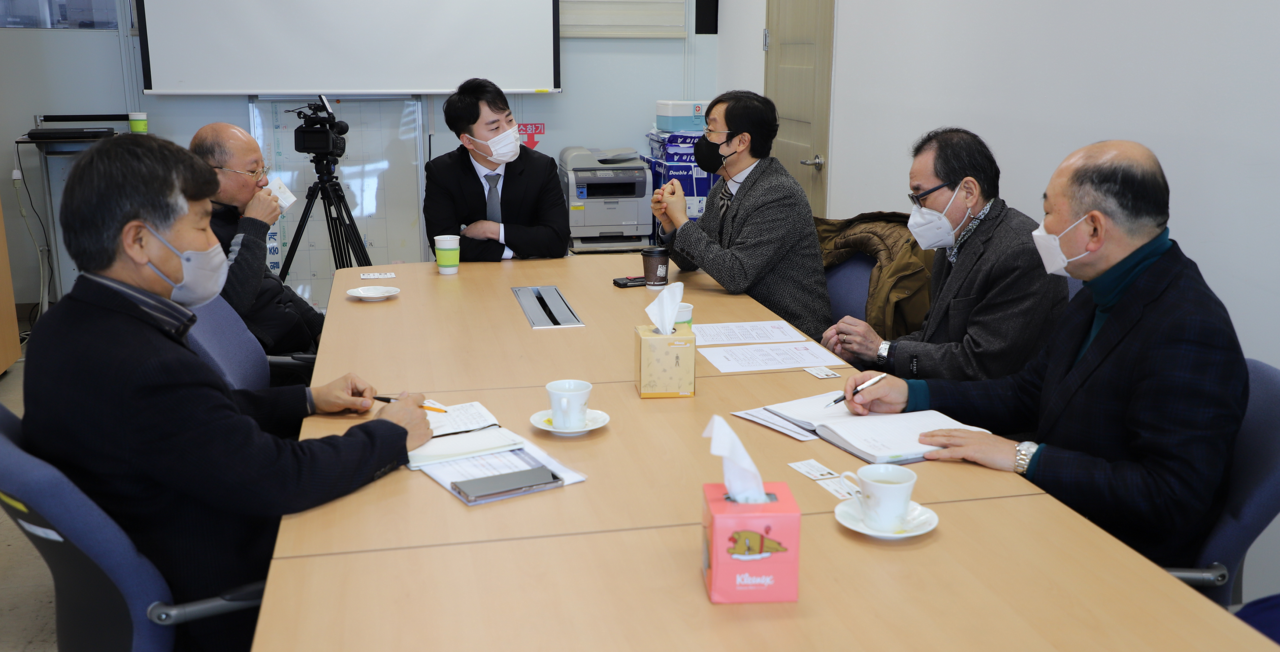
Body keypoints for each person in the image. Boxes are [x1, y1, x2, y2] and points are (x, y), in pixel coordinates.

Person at [22, 134, 433, 652]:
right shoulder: (145, 366)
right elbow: (279, 479)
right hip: (225, 576)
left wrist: (306, 399)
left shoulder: (68, 325)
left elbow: (202, 417)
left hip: (169, 519)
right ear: (139, 241)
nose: (212, 243)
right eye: (199, 225)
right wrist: (388, 435)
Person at [841, 141, 1248, 568]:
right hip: (1047, 513)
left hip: (1109, 555)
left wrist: (1024, 457)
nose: (1043, 228)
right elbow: (1024, 392)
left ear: (1093, 229)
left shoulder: (1189, 327)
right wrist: (911, 393)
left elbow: (1167, 496)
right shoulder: (1099, 293)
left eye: (1051, 212)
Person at [822, 128, 1066, 380]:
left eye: (921, 197)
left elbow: (980, 364)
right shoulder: (954, 239)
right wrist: (868, 353)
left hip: (990, 409)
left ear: (968, 192)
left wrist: (882, 350)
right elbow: (933, 338)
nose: (917, 210)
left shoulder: (1021, 252)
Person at [651, 90, 831, 341]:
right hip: (744, 314)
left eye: (711, 131)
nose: (704, 139)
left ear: (741, 142)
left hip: (788, 328)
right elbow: (691, 261)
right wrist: (671, 224)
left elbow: (736, 274)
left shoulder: (778, 194)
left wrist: (683, 220)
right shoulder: (726, 185)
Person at [190, 123, 324, 355]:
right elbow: (230, 307)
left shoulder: (230, 214)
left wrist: (319, 327)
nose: (263, 181)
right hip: (283, 362)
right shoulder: (192, 232)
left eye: (264, 170)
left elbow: (270, 284)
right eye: (253, 172)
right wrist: (255, 227)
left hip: (304, 342)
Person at [422, 78, 569, 261]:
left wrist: (493, 230)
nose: (508, 131)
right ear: (468, 141)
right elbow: (445, 245)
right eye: (495, 127)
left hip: (530, 274)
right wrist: (512, 252)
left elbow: (557, 240)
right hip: (470, 279)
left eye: (509, 120)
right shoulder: (442, 173)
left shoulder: (540, 167)